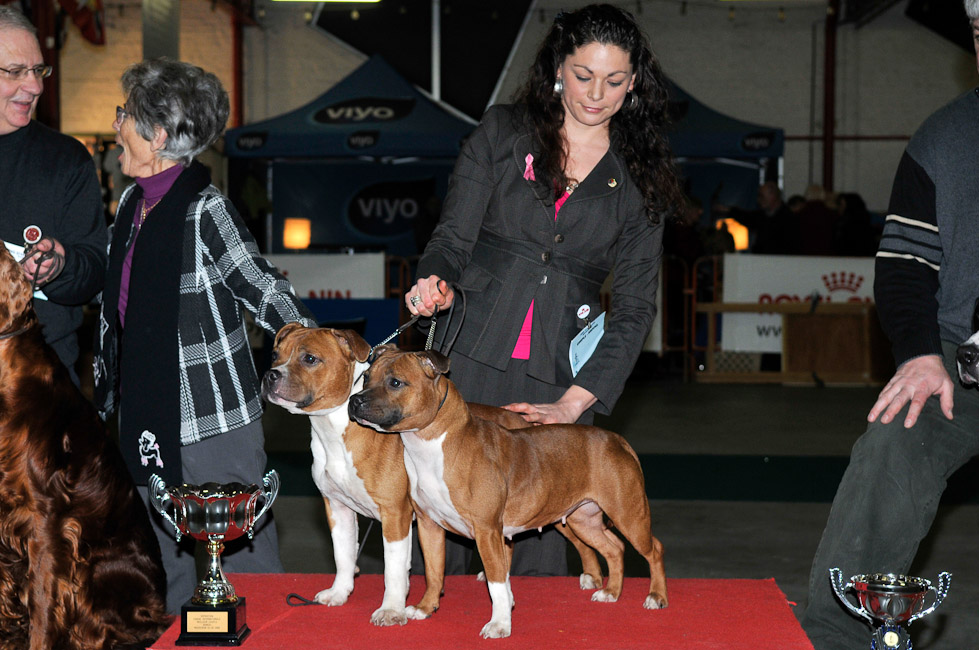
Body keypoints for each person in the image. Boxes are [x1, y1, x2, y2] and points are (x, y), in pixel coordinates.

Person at [405, 4, 682, 577]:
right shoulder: (502, 132)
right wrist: (433, 276)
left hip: (557, 377)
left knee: (536, 556)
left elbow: (633, 307)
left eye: (614, 81)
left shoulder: (640, 177)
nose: (596, 94)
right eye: (583, 76)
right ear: (559, 66)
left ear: (634, 84)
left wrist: (574, 403)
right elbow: (453, 237)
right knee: (445, 530)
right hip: (468, 359)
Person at [91, 58, 316, 614]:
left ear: (158, 135)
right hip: (144, 414)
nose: (117, 125)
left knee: (245, 558)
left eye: (125, 115)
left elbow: (259, 286)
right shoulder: (128, 206)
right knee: (153, 562)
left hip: (212, 420)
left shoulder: (205, 209)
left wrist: (320, 350)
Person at [800, 2, 979, 646]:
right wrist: (920, 354)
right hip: (962, 361)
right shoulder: (943, 140)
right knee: (891, 440)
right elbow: (904, 264)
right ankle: (834, 632)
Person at [0, 7, 107, 383]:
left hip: (39, 393)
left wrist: (62, 267)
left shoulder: (66, 160)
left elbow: (94, 270)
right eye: (15, 72)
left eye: (38, 70)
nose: (35, 86)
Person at [713, 181, 799, 255]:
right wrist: (727, 210)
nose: (759, 200)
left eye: (761, 196)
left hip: (781, 262)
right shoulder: (762, 216)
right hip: (762, 261)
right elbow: (747, 217)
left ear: (772, 195)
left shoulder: (788, 218)